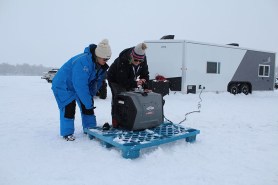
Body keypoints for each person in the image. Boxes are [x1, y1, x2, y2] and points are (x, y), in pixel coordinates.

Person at [52, 39, 111, 141]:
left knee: (87, 104)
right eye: (105, 59)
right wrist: (88, 102)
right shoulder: (83, 62)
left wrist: (90, 97)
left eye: (108, 59)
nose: (106, 61)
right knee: (69, 108)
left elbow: (95, 82)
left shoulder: (99, 66)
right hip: (64, 85)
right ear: (98, 56)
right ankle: (67, 133)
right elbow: (80, 86)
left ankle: (90, 129)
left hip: (78, 85)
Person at [107, 42, 149, 127]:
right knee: (119, 99)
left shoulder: (143, 60)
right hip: (115, 80)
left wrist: (144, 81)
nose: (138, 62)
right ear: (131, 56)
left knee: (130, 99)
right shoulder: (123, 60)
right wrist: (135, 83)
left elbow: (145, 73)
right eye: (136, 60)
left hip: (128, 79)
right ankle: (116, 121)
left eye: (140, 60)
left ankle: (129, 120)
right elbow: (122, 81)